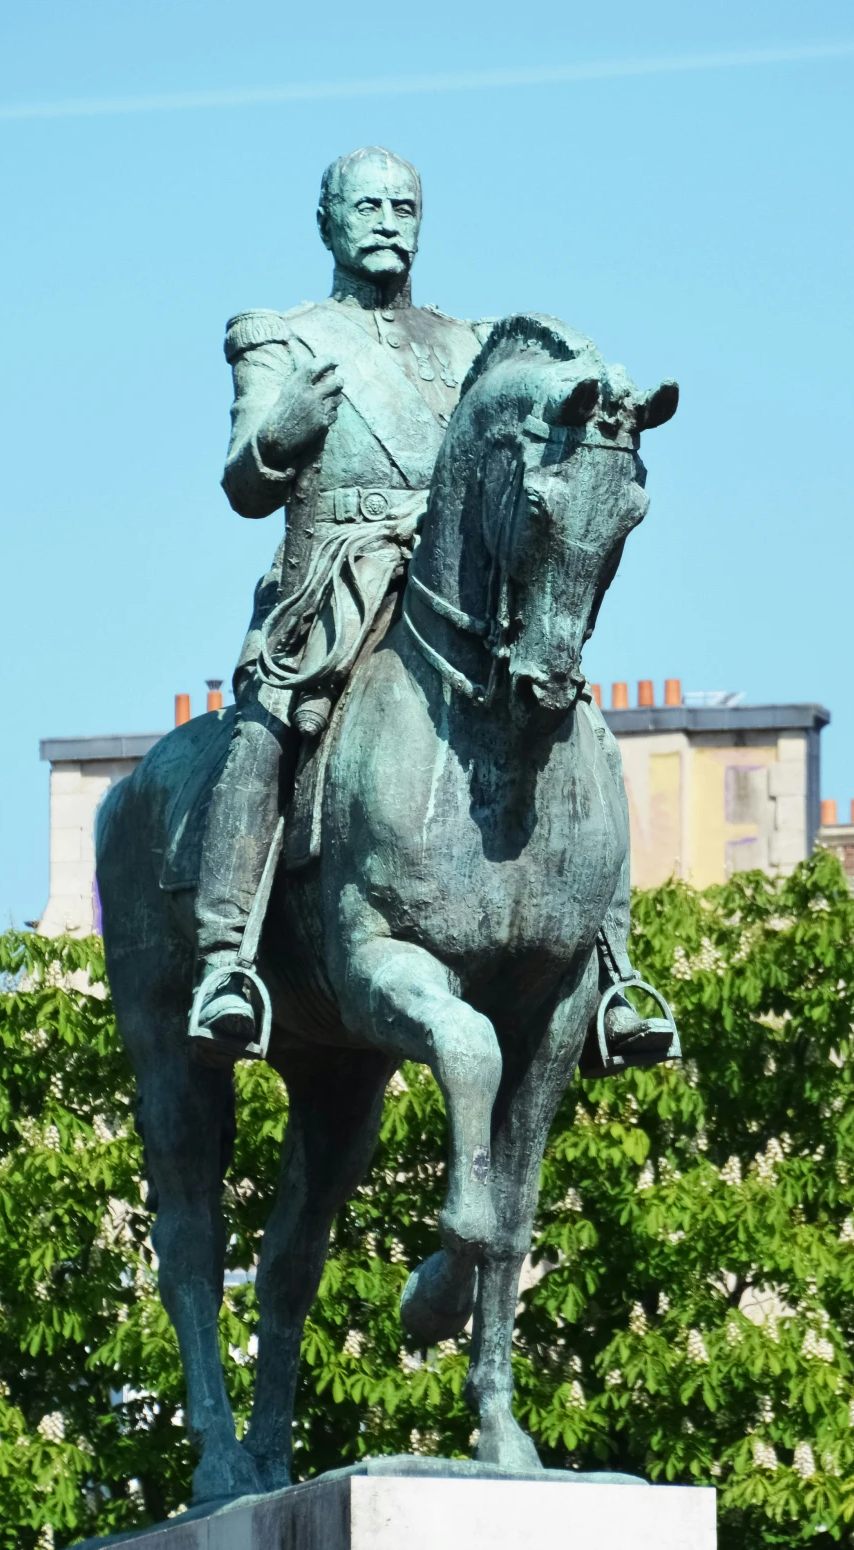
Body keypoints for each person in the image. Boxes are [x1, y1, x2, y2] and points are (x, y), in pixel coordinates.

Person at [191, 148, 673, 1070]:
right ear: (327, 220)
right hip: (334, 579)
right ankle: (227, 963)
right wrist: (279, 432)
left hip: (453, 578)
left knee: (580, 723)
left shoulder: (472, 344)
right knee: (268, 724)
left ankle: (614, 971)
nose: (386, 219)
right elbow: (244, 481)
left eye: (402, 205)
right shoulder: (280, 336)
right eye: (365, 204)